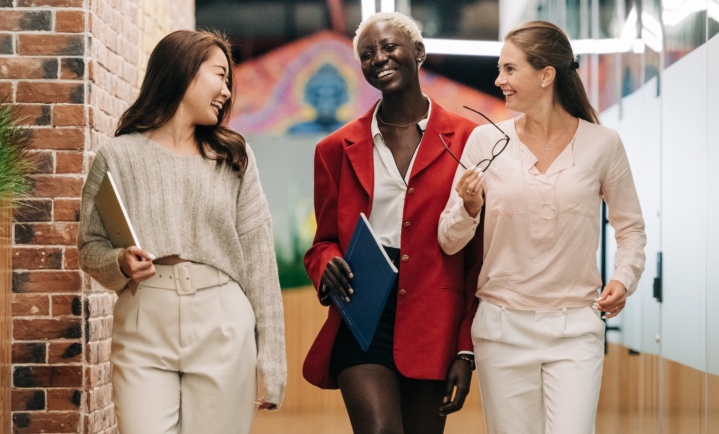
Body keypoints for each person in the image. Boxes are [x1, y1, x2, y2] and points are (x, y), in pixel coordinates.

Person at [438, 21, 646, 434]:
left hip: (575, 329)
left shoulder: (603, 144)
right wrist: (469, 205)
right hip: (501, 329)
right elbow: (449, 239)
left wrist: (624, 278)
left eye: (510, 69)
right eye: (500, 69)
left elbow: (631, 229)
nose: (499, 80)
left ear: (546, 75)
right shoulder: (484, 141)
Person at [77, 30, 286, 434]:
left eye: (228, 81)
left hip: (223, 320)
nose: (226, 91)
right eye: (219, 75)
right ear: (183, 71)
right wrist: (118, 261)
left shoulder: (234, 157)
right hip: (143, 321)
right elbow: (90, 246)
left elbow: (260, 259)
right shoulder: (117, 157)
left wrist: (273, 359)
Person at [302, 12, 483, 434]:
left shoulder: (470, 140)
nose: (378, 58)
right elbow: (322, 241)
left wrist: (466, 349)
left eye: (388, 47)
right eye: (367, 55)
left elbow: (478, 258)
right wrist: (325, 262)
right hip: (362, 313)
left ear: (418, 52)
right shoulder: (335, 149)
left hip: (434, 318)